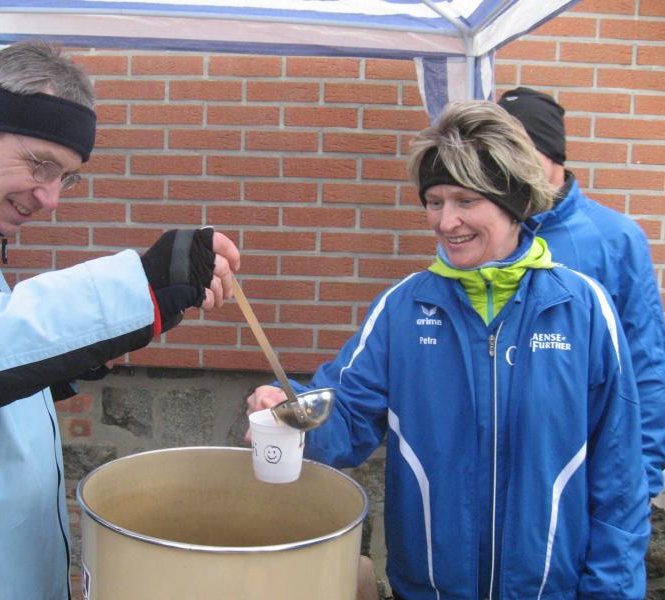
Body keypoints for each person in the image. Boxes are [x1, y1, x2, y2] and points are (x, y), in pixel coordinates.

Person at [0, 41, 240, 600]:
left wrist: (85, 350)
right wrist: (134, 286)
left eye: (66, 177)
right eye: (40, 164)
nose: (50, 198)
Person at [247, 101, 650, 599]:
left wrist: (611, 592)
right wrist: (289, 410)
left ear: (513, 200)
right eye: (434, 201)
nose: (445, 221)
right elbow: (346, 418)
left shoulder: (583, 309)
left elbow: (619, 478)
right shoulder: (403, 308)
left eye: (465, 200)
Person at [498, 86, 665, 499]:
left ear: (553, 153)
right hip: (498, 464)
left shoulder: (615, 238)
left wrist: (643, 476)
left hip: (583, 461)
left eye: (522, 151)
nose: (512, 168)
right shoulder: (486, 232)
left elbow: (645, 360)